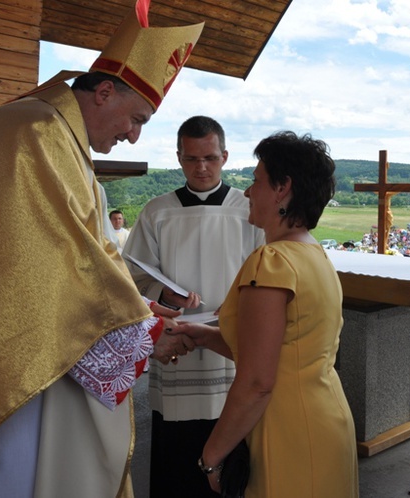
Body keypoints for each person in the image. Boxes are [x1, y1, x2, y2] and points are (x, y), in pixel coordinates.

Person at [0, 2, 203, 496]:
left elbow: (83, 256)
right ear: (104, 92)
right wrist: (148, 330)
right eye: (136, 119)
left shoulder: (56, 136)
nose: (133, 136)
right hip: (26, 358)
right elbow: (51, 267)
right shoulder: (35, 133)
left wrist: (145, 311)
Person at [173, 131, 359, 497]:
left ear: (281, 188)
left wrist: (212, 454)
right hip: (325, 416)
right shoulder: (314, 254)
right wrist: (206, 337)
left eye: (256, 181)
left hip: (287, 425)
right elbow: (287, 349)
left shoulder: (272, 262)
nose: (246, 192)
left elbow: (258, 380)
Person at [122, 115, 264, 497]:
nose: (201, 167)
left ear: (225, 156)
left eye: (210, 158)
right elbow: (130, 278)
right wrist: (164, 296)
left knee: (233, 452)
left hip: (229, 346)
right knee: (177, 457)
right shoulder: (157, 211)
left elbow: (265, 273)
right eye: (191, 159)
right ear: (179, 158)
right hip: (177, 343)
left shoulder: (249, 211)